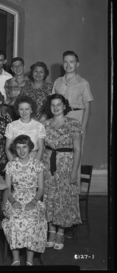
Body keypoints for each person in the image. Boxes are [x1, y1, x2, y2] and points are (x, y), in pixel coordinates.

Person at [42, 94, 82, 251]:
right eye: (53, 105)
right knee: (49, 197)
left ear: (64, 106)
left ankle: (60, 233)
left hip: (66, 166)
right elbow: (42, 146)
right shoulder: (45, 124)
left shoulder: (73, 124)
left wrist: (74, 172)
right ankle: (51, 231)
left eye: (59, 104)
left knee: (63, 198)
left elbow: (78, 150)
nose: (56, 107)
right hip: (48, 165)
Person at [2, 135, 47, 266]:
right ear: (15, 149)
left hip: (33, 198)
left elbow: (41, 189)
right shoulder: (11, 165)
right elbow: (7, 188)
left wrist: (33, 202)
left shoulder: (37, 165)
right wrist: (13, 201)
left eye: (24, 147)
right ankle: (16, 259)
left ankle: (29, 260)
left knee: (32, 220)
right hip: (15, 199)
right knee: (16, 219)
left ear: (30, 148)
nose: (22, 151)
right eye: (18, 148)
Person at [52, 51, 93, 189]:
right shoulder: (58, 82)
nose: (68, 65)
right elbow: (52, 102)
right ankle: (58, 186)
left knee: (76, 151)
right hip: (60, 118)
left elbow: (87, 107)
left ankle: (74, 188)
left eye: (71, 62)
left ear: (77, 64)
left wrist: (82, 128)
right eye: (65, 61)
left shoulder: (83, 83)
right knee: (59, 150)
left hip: (76, 117)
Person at [5, 96, 45, 162]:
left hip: (33, 160)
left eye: (27, 109)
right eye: (21, 109)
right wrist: (14, 165)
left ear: (31, 110)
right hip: (16, 161)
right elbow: (7, 148)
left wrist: (35, 165)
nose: (24, 112)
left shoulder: (39, 126)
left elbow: (41, 148)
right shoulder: (11, 126)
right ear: (18, 110)